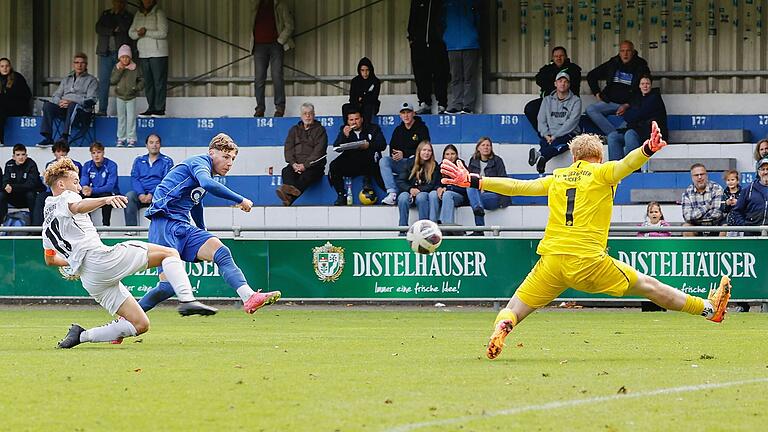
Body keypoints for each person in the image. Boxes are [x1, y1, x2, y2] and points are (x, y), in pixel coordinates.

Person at [440, 122, 732, 360]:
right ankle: (709, 309)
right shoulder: (602, 172)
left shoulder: (558, 176)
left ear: (574, 157)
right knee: (650, 287)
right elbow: (627, 165)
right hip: (589, 261)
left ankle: (502, 327)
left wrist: (474, 180)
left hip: (553, 261)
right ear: (599, 156)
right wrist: (647, 149)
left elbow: (519, 185)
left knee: (515, 307)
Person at [41, 158, 216, 349]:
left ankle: (80, 336)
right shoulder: (66, 197)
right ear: (60, 184)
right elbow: (77, 207)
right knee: (170, 254)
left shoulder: (47, 219)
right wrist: (105, 199)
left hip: (89, 277)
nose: (79, 187)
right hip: (101, 260)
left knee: (140, 324)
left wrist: (74, 262)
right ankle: (187, 300)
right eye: (75, 182)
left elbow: (50, 259)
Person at [137, 133, 281, 314]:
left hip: (181, 225)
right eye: (226, 157)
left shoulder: (203, 173)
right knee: (167, 287)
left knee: (221, 251)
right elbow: (208, 184)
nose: (230, 163)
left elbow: (196, 202)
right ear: (212, 153)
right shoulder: (199, 162)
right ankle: (124, 321)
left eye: (233, 159)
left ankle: (249, 296)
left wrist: (202, 231)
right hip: (163, 223)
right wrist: (240, 199)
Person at [586, 40, 650, 135]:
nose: (625, 54)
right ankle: (614, 134)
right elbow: (591, 75)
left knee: (640, 116)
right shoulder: (613, 63)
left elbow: (644, 89)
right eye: (622, 51)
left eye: (628, 51)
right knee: (590, 110)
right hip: (610, 102)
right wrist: (597, 93)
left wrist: (627, 105)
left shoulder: (641, 65)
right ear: (619, 52)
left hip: (630, 105)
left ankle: (617, 136)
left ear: (633, 52)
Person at [37, 53, 98, 147]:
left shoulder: (91, 80)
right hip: (64, 109)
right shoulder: (66, 79)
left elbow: (92, 100)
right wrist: (60, 102)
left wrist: (72, 102)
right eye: (77, 62)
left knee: (73, 106)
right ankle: (48, 137)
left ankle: (64, 137)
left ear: (86, 65)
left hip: (81, 112)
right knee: (48, 105)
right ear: (73, 64)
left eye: (82, 63)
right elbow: (56, 95)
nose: (79, 65)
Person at [328, 108, 386, 206]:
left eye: (357, 119)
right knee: (334, 166)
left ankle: (370, 183)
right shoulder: (345, 130)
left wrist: (369, 145)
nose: (354, 122)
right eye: (351, 120)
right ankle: (341, 195)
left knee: (371, 155)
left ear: (362, 119)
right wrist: (344, 136)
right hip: (352, 162)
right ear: (348, 121)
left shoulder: (373, 128)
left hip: (370, 162)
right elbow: (336, 147)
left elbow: (382, 145)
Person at [275, 102, 327, 206]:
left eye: (310, 113)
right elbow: (288, 148)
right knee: (286, 171)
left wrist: (305, 165)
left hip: (314, 166)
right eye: (305, 113)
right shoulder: (294, 130)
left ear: (314, 115)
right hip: (296, 164)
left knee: (307, 175)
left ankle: (289, 195)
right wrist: (293, 164)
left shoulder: (320, 130)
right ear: (301, 115)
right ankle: (290, 196)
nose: (307, 116)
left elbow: (319, 151)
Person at [607, 74, 668, 162]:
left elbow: (637, 115)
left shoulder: (654, 97)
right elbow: (629, 116)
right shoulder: (636, 98)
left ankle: (632, 169)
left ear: (651, 85)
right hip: (637, 129)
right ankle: (615, 170)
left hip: (650, 133)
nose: (645, 86)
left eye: (647, 84)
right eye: (642, 84)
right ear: (639, 86)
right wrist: (633, 114)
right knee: (613, 137)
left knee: (630, 134)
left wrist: (633, 113)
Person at [380, 102, 431, 205]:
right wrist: (395, 155)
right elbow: (392, 148)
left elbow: (425, 150)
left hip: (416, 163)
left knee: (412, 160)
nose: (406, 115)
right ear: (400, 115)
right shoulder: (398, 130)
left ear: (414, 114)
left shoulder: (422, 128)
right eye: (403, 113)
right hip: (401, 163)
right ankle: (392, 193)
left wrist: (405, 153)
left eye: (408, 112)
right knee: (384, 161)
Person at [531, 71, 582, 174]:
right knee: (545, 142)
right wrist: (546, 134)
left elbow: (571, 123)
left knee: (560, 144)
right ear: (555, 84)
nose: (562, 83)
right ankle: (542, 158)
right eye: (560, 81)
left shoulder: (576, 101)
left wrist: (555, 135)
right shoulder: (547, 100)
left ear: (569, 84)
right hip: (550, 134)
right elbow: (541, 119)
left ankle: (541, 155)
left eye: (565, 81)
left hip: (568, 133)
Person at [251, 0, 295, 118]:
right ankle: (260, 108)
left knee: (277, 76)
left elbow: (289, 25)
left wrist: (280, 41)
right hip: (259, 45)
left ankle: (280, 108)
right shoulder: (256, 4)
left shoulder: (280, 4)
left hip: (275, 45)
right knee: (259, 78)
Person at [524, 47, 582, 135]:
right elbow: (539, 79)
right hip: (550, 101)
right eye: (556, 56)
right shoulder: (547, 69)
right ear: (553, 58)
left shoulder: (574, 69)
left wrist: (552, 81)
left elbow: (570, 86)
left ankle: (562, 136)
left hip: (567, 102)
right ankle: (545, 136)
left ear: (566, 57)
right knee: (530, 108)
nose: (558, 58)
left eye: (561, 56)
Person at [408, 0, 449, 114]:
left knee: (440, 73)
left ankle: (442, 103)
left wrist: (442, 37)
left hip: (437, 43)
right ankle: (424, 102)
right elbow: (412, 18)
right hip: (419, 44)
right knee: (421, 74)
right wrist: (412, 37)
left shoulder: (440, 2)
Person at [129, 0, 169, 117]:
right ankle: (151, 107)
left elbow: (163, 33)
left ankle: (159, 109)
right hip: (143, 53)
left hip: (158, 53)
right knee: (148, 82)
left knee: (159, 82)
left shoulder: (159, 13)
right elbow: (131, 33)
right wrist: (138, 34)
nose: (147, 1)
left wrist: (146, 32)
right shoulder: (138, 14)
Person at [95, 0, 134, 116]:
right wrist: (112, 30)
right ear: (113, 2)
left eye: (122, 2)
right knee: (103, 81)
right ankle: (102, 109)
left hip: (121, 54)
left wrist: (118, 14)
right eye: (117, 2)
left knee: (124, 82)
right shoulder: (106, 14)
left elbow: (124, 28)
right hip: (105, 52)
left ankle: (125, 110)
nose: (119, 4)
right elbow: (98, 28)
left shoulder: (127, 16)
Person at [125, 134, 173, 226]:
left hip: (158, 193)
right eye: (151, 143)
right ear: (146, 145)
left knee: (165, 196)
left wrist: (152, 193)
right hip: (141, 194)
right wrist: (140, 193)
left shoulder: (167, 161)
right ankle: (131, 230)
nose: (154, 145)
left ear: (160, 145)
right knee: (129, 196)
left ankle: (161, 229)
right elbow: (135, 178)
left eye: (157, 143)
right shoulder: (139, 160)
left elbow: (165, 181)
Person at [31, 141, 83, 226]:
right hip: (55, 192)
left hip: (71, 192)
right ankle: (36, 227)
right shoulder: (50, 165)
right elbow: (49, 183)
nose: (61, 154)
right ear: (54, 153)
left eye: (63, 151)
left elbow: (79, 182)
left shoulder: (76, 165)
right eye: (58, 151)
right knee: (40, 197)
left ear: (67, 152)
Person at [443, 0, 480, 114]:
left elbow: (479, 20)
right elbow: (441, 22)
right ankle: (456, 104)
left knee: (469, 76)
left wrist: (475, 35)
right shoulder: (446, 3)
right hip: (452, 44)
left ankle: (468, 106)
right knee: (455, 77)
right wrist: (446, 37)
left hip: (470, 43)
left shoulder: (472, 3)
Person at [467, 137, 510, 232]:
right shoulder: (473, 161)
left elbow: (503, 181)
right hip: (477, 195)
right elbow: (468, 180)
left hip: (495, 195)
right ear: (478, 148)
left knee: (477, 202)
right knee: (470, 186)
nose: (486, 147)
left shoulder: (497, 160)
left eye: (488, 145)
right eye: (483, 145)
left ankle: (479, 230)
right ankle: (479, 225)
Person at [396, 140, 440, 231]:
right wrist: (410, 189)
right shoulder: (409, 162)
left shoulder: (434, 165)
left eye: (429, 151)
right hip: (409, 192)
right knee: (402, 197)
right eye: (424, 150)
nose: (426, 153)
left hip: (423, 192)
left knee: (422, 197)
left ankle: (423, 230)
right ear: (419, 151)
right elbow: (400, 181)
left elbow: (432, 184)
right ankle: (402, 230)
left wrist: (419, 190)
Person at [111, 44, 143, 147]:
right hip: (120, 96)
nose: (125, 59)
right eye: (122, 57)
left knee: (131, 117)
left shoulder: (134, 68)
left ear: (130, 57)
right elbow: (113, 80)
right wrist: (120, 70)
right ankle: (121, 138)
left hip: (131, 96)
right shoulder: (117, 68)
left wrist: (136, 88)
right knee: (121, 118)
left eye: (127, 57)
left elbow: (141, 80)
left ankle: (131, 138)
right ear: (119, 58)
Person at [0, 144, 42, 225]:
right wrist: (6, 186)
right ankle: (2, 223)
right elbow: (5, 181)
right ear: (13, 156)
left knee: (31, 194)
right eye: (18, 155)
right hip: (13, 197)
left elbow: (31, 185)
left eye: (23, 154)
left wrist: (12, 186)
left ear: (26, 156)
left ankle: (35, 227)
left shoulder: (31, 164)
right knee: (1, 195)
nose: (21, 157)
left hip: (26, 198)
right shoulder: (9, 164)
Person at [429, 144, 468, 230]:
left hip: (459, 196)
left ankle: (446, 227)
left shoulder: (461, 166)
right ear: (444, 156)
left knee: (447, 194)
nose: (450, 157)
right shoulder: (440, 167)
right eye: (447, 154)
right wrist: (438, 188)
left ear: (457, 155)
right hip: (443, 194)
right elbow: (435, 183)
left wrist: (448, 188)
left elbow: (465, 187)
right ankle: (432, 225)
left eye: (452, 154)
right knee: (432, 194)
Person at [80, 142, 119, 226]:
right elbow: (84, 180)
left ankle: (106, 226)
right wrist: (85, 188)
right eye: (93, 153)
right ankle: (86, 225)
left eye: (98, 152)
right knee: (81, 196)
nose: (96, 155)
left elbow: (110, 186)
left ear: (103, 153)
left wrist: (92, 190)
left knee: (107, 197)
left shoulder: (112, 165)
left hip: (108, 192)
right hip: (94, 192)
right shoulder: (87, 165)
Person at [681, 163, 724, 237]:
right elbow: (687, 217)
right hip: (696, 226)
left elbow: (717, 214)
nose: (700, 177)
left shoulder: (717, 188)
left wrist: (697, 214)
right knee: (686, 228)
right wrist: (706, 207)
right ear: (692, 177)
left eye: (702, 174)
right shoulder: (687, 192)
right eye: (696, 175)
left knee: (725, 229)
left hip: (716, 225)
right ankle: (694, 249)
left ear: (706, 175)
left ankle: (719, 248)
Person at [731, 158, 768, 237]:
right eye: (763, 169)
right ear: (758, 172)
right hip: (751, 234)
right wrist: (745, 226)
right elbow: (737, 211)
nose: (766, 172)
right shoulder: (749, 189)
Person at [0, 57, 32, 146]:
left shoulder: (17, 77)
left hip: (17, 107)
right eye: (2, 66)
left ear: (10, 67)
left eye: (7, 66)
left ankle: (1, 139)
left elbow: (26, 95)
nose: (5, 68)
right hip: (3, 108)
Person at [345, 57, 381, 123]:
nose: (365, 73)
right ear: (359, 70)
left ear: (371, 70)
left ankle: (366, 127)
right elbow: (352, 98)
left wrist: (362, 98)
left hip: (370, 105)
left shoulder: (375, 81)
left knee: (368, 107)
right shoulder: (355, 81)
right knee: (345, 107)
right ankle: (348, 127)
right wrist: (361, 98)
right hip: (357, 105)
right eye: (362, 70)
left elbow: (374, 98)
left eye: (367, 70)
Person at [720, 169, 741, 237]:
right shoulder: (725, 193)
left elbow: (746, 206)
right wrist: (727, 203)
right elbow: (722, 209)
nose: (730, 182)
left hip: (741, 221)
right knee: (726, 236)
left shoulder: (743, 192)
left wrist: (738, 203)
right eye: (728, 180)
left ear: (737, 181)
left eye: (732, 179)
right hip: (729, 222)